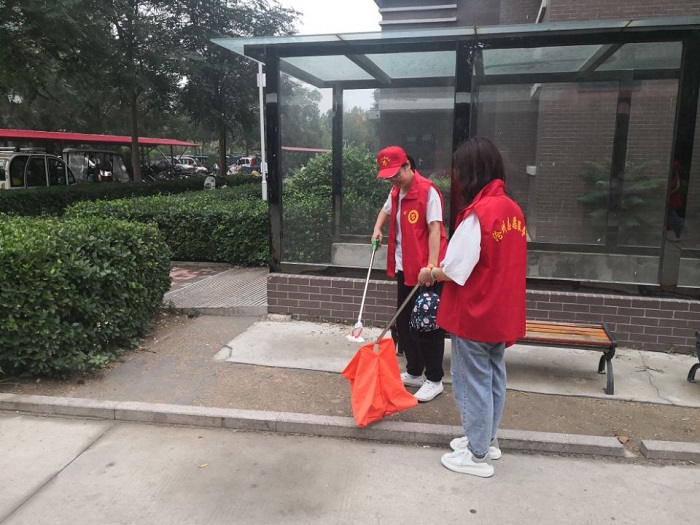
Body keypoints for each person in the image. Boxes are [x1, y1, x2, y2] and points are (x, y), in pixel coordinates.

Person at [418, 137, 527, 478]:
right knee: (494, 378)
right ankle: (486, 440)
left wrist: (429, 272)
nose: (456, 177)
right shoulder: (513, 211)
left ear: (471, 173)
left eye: (459, 171)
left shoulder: (479, 214)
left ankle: (477, 454)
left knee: (471, 382)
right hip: (500, 314)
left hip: (475, 314)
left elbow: (455, 269)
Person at [371, 145, 448, 403]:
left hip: (426, 271)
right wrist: (377, 229)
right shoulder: (396, 192)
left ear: (407, 166)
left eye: (396, 174)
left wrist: (432, 267)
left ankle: (434, 379)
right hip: (404, 268)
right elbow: (385, 211)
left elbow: (435, 228)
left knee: (427, 325)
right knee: (404, 324)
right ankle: (415, 371)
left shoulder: (428, 191)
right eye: (388, 177)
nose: (392, 180)